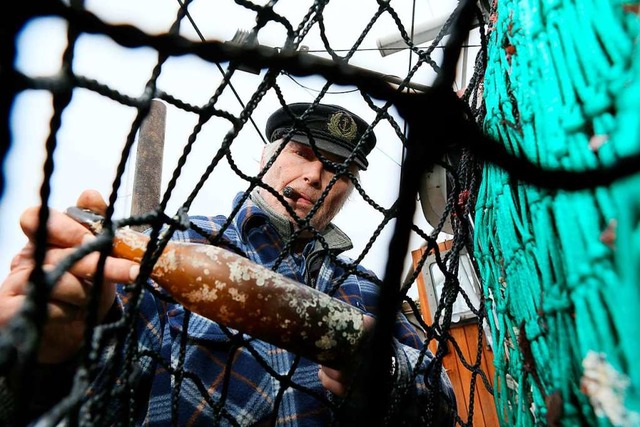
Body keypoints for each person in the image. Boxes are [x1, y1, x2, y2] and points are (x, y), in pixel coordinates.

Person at [0, 102, 456, 425]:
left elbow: (443, 401)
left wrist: (389, 372)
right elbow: (100, 393)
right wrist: (51, 357)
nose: (315, 176)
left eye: (339, 170)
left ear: (349, 191)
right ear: (266, 156)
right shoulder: (173, 243)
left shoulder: (370, 290)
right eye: (303, 152)